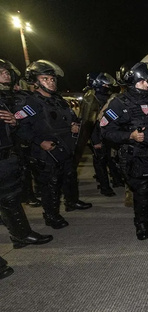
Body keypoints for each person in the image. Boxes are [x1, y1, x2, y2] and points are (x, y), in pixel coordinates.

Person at [14, 60, 92, 229]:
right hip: (45, 151)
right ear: (35, 81)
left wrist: (74, 125)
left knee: (69, 177)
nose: (51, 82)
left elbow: (71, 117)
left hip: (65, 147)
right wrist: (39, 142)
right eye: (45, 79)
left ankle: (71, 202)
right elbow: (20, 127)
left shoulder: (58, 100)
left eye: (52, 79)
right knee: (50, 185)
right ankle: (51, 216)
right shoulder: (30, 102)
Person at [100, 62, 148, 240]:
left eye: (147, 81)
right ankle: (141, 223)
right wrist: (130, 135)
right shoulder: (119, 103)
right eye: (143, 81)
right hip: (135, 155)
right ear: (132, 82)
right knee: (141, 191)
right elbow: (105, 130)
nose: (147, 84)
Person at [0, 59, 53, 258]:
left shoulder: (4, 98)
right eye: (1, 71)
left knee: (10, 199)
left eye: (6, 70)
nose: (6, 73)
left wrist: (13, 122)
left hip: (5, 157)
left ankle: (21, 235)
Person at [84, 72, 124, 197]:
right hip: (98, 136)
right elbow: (90, 123)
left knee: (110, 159)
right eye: (105, 85)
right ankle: (104, 187)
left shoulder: (104, 97)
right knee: (100, 162)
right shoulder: (91, 99)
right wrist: (95, 141)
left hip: (107, 134)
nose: (107, 87)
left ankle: (116, 180)